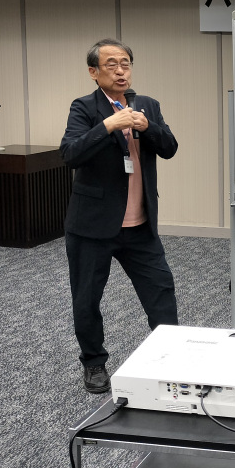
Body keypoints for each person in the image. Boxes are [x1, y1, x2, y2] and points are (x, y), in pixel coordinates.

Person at [60, 38, 179, 393]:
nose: (120, 70)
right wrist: (109, 125)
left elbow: (170, 148)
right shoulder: (84, 107)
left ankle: (170, 357)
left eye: (125, 63)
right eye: (110, 64)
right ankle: (94, 362)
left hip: (140, 224)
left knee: (161, 291)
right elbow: (70, 154)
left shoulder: (148, 105)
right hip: (92, 226)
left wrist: (147, 127)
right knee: (87, 298)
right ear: (93, 72)